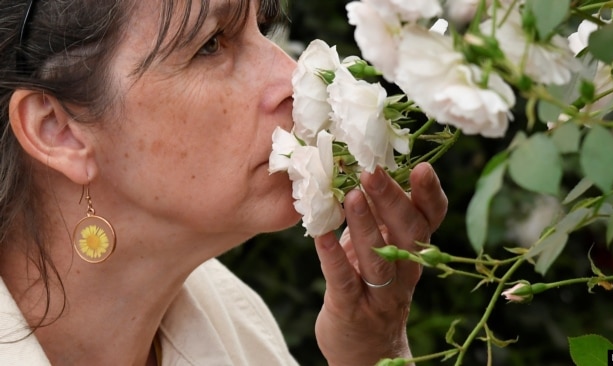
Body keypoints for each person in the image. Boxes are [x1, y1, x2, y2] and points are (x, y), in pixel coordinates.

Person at [0, 0, 448, 365]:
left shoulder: (239, 329)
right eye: (211, 44)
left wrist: (372, 353)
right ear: (57, 130)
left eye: (264, 27)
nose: (290, 79)